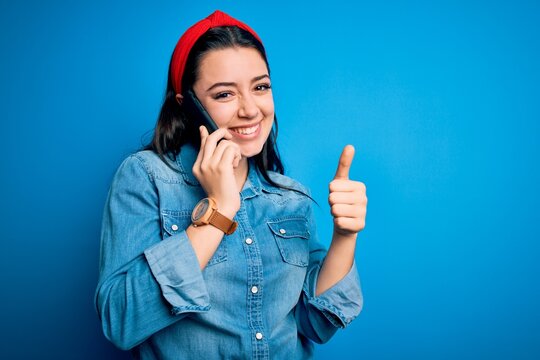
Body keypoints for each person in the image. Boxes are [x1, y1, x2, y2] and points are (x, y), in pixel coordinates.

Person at [95, 10, 367, 360]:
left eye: (261, 87)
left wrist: (345, 236)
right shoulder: (146, 177)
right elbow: (121, 320)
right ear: (187, 106)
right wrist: (220, 208)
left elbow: (314, 324)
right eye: (225, 95)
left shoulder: (291, 198)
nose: (251, 110)